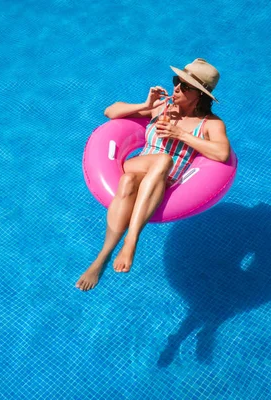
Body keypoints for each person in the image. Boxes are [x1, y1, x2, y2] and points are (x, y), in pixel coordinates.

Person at [76, 58, 231, 291]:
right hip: (139, 164)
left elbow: (221, 153)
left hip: (157, 181)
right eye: (177, 81)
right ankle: (132, 240)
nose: (177, 88)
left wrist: (180, 134)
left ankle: (101, 259)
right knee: (163, 159)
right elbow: (110, 111)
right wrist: (145, 104)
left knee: (128, 182)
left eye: (185, 86)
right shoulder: (163, 106)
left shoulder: (210, 123)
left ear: (200, 94)